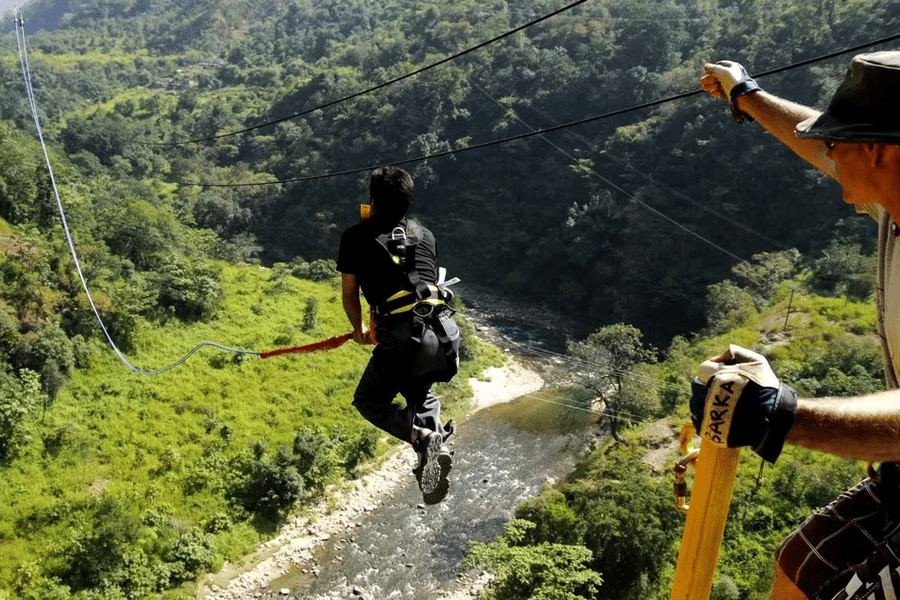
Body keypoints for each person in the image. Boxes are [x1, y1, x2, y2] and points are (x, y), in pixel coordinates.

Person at [695, 52, 900, 600]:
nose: (826, 152)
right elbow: (811, 141)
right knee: (796, 565)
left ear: (878, 149)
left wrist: (779, 414)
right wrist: (747, 95)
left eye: (838, 141)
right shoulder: (894, 203)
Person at [337, 166, 460, 505]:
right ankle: (431, 449)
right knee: (419, 391)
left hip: (404, 339)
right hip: (444, 336)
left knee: (368, 400)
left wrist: (360, 329)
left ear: (372, 201)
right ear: (408, 201)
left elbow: (350, 296)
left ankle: (422, 437)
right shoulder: (426, 235)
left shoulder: (355, 237)